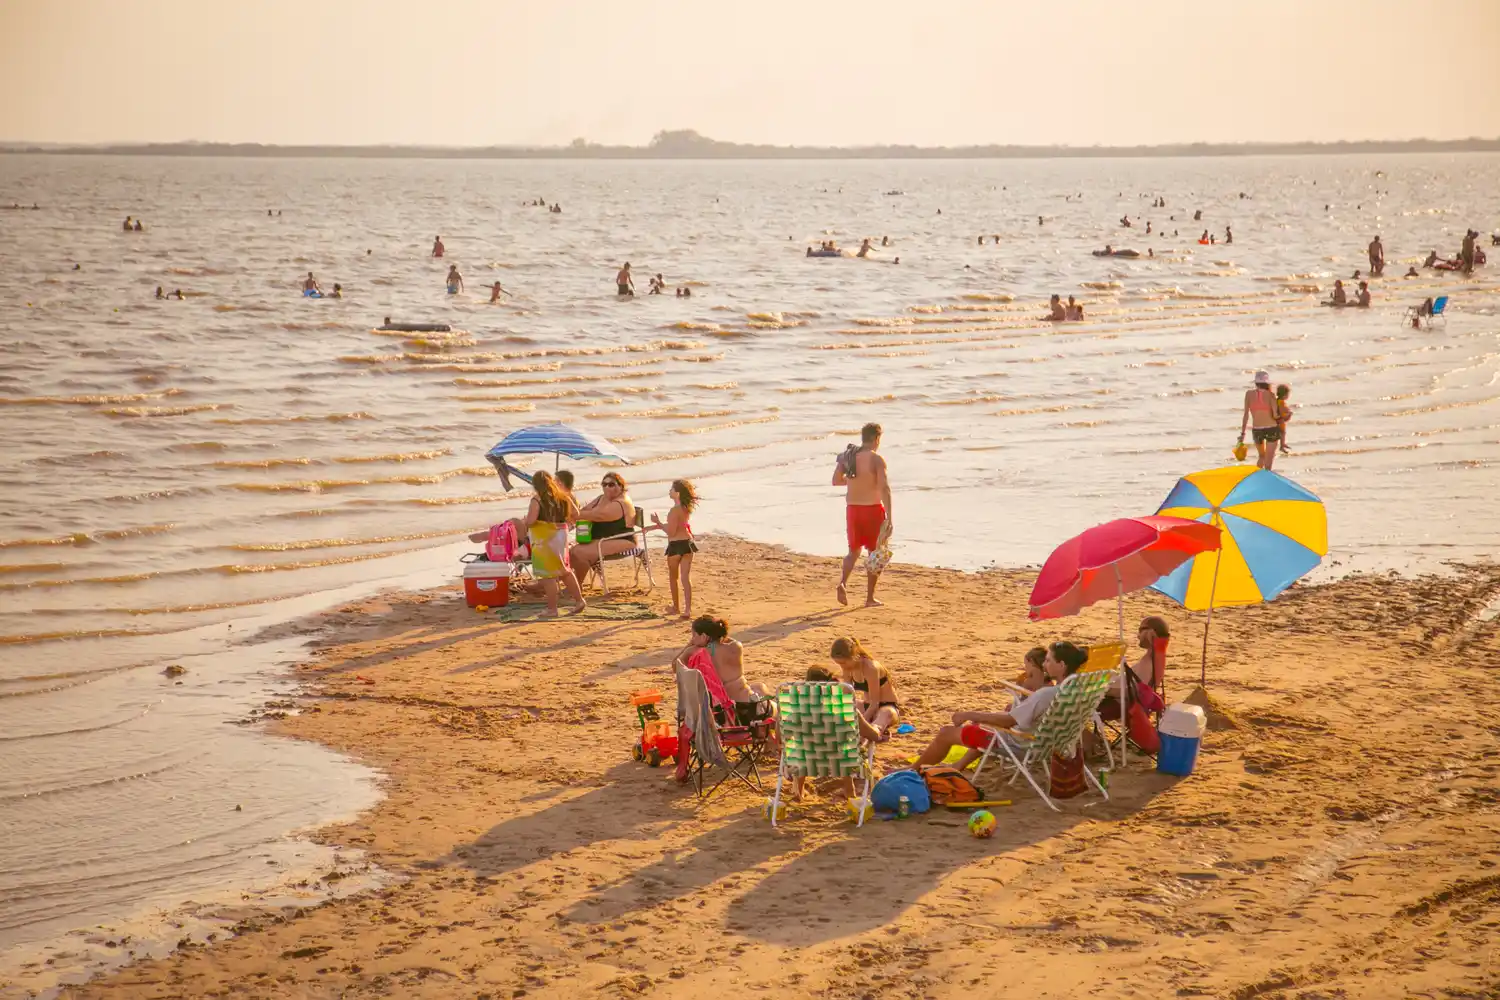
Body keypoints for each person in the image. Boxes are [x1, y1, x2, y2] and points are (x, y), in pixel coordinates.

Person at [914, 646, 1051, 769]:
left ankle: (914, 769)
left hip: (1016, 743)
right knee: (986, 722)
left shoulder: (1039, 695)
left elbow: (1009, 721)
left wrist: (969, 715)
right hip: (1038, 745)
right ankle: (959, 765)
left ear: (1034, 667)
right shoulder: (1052, 691)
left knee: (946, 733)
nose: (1025, 672)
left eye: (1027, 668)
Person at [831, 422, 891, 608]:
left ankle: (842, 582)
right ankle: (870, 598)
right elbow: (884, 488)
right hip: (872, 510)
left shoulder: (847, 456)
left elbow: (836, 481)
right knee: (875, 553)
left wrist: (855, 483)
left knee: (853, 551)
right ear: (876, 438)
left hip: (853, 509)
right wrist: (889, 516)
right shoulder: (876, 460)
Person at [674, 617, 772, 721]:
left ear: (703, 636)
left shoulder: (699, 652)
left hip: (724, 710)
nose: (692, 639)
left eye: (693, 635)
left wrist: (690, 646)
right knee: (760, 687)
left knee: (758, 687)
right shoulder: (736, 646)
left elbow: (676, 665)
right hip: (749, 704)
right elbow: (725, 640)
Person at [522, 471, 585, 617]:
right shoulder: (563, 496)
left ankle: (552, 609)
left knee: (548, 575)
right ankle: (579, 600)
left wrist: (525, 521)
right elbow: (576, 514)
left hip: (544, 539)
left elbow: (531, 521)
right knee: (564, 570)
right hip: (560, 536)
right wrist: (566, 518)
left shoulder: (537, 499)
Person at [568, 473, 639, 579]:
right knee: (570, 552)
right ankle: (559, 582)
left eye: (611, 484)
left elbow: (597, 516)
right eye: (604, 484)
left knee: (579, 552)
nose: (607, 487)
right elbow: (584, 511)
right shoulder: (601, 498)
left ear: (621, 486)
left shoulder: (620, 503)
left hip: (623, 539)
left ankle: (576, 586)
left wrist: (572, 514)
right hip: (602, 539)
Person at [829, 638, 899, 742]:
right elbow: (847, 697)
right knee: (836, 705)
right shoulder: (848, 668)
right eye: (838, 663)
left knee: (884, 714)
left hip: (886, 706)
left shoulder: (871, 668)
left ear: (854, 656)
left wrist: (860, 724)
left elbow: (875, 703)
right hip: (866, 706)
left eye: (843, 663)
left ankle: (873, 733)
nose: (841, 666)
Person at [648, 478, 698, 618]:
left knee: (673, 577)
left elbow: (671, 532)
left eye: (672, 489)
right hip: (687, 544)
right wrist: (654, 526)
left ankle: (676, 607)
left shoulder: (673, 511)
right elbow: (678, 526)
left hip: (676, 545)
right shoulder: (685, 508)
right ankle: (687, 610)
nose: (670, 491)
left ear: (677, 493)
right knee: (685, 579)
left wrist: (657, 522)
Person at [1239, 370, 1281, 470]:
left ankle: (1257, 479)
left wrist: (1243, 433)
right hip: (1271, 428)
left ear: (1256, 382)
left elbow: (1246, 415)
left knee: (1261, 457)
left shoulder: (1248, 394)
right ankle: (1267, 483)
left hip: (1257, 430)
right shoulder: (1270, 395)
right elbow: (1275, 415)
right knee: (1268, 462)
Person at [1275, 384, 1294, 453]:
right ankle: (1282, 446)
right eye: (1288, 394)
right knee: (1282, 432)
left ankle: (1283, 444)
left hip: (1278, 419)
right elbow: (1281, 411)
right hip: (1280, 420)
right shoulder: (1281, 402)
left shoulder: (1277, 400)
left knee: (1282, 433)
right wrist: (1288, 414)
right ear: (1284, 395)